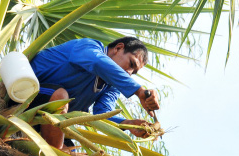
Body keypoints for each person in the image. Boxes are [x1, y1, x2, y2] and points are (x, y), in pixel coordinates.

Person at [29, 36, 160, 149]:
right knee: (61, 97)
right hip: (25, 94)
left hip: (44, 121)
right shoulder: (90, 46)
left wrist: (129, 124)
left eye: (134, 72)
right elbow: (98, 63)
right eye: (131, 64)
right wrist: (139, 91)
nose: (129, 73)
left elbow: (102, 115)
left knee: (70, 154)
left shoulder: (111, 86)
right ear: (118, 48)